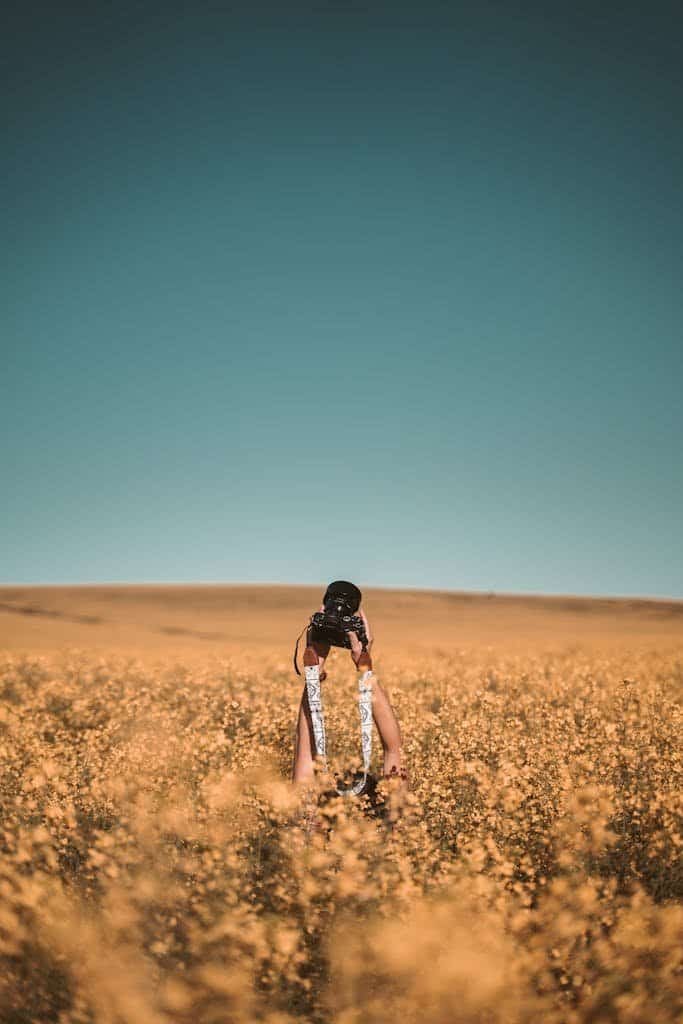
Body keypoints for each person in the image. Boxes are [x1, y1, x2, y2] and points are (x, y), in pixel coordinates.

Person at [292, 581, 405, 785]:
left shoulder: (308, 817)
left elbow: (306, 760)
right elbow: (394, 753)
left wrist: (314, 670)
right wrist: (364, 665)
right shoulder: (395, 814)